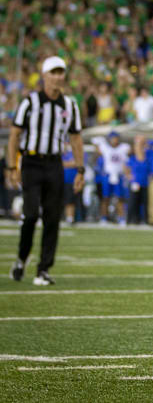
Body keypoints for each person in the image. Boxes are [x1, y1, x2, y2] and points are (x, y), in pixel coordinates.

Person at [7, 56, 84, 285]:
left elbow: (76, 138)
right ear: (44, 75)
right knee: (30, 215)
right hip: (31, 162)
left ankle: (43, 269)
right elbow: (14, 136)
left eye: (61, 72)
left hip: (54, 164)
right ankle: (21, 259)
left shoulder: (70, 105)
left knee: (52, 218)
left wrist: (80, 169)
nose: (58, 76)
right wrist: (13, 166)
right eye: (54, 72)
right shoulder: (30, 102)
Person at [92, 132, 130, 225]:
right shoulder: (106, 148)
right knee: (105, 198)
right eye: (113, 138)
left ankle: (121, 218)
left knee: (120, 198)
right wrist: (98, 142)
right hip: (107, 175)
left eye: (116, 138)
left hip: (118, 175)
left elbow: (127, 160)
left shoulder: (123, 148)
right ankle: (104, 218)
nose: (114, 140)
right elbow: (96, 147)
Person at [125, 135, 150, 225]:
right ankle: (130, 219)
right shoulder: (132, 158)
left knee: (144, 202)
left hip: (145, 183)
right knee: (133, 202)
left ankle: (144, 220)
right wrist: (129, 176)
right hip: (135, 183)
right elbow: (126, 168)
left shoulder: (147, 157)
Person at [61, 141, 81, 224]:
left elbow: (77, 163)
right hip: (60, 180)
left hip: (72, 180)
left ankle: (70, 218)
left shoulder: (75, 153)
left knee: (71, 201)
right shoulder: (61, 154)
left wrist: (66, 164)